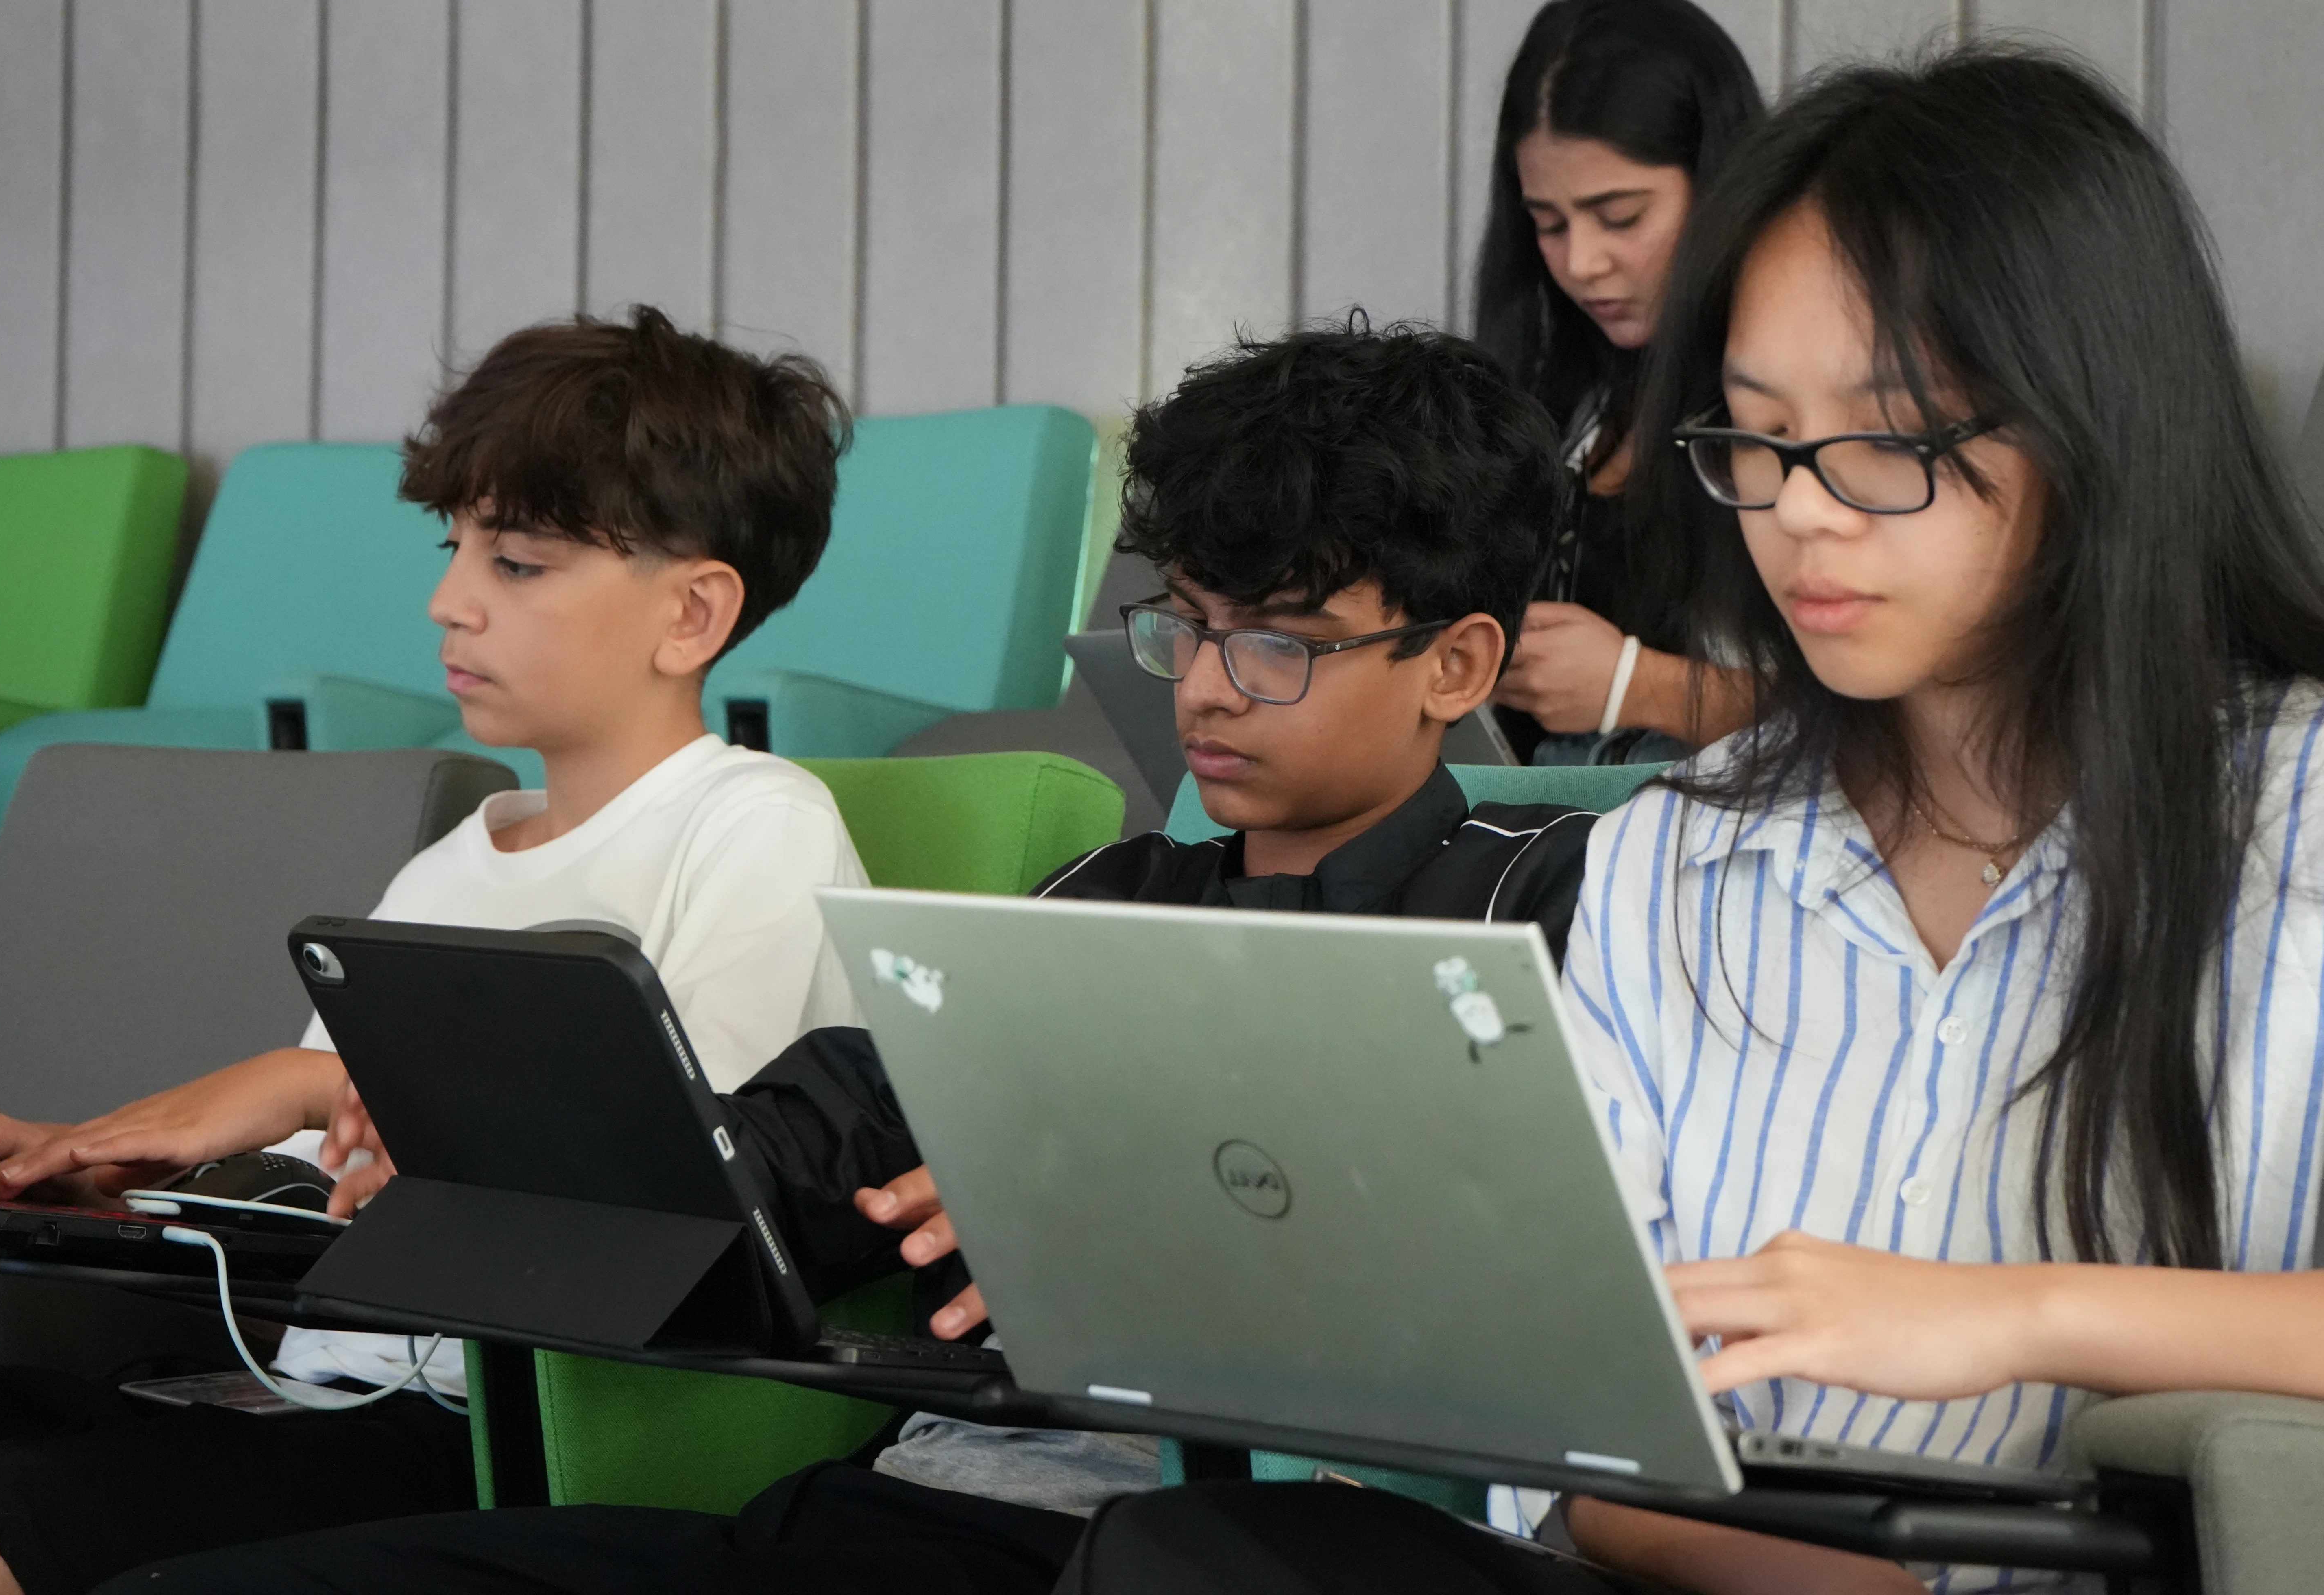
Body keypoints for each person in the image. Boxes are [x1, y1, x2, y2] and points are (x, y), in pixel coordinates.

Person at [1042, 44, 2324, 1592]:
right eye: (1758, 435)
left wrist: (2024, 1316)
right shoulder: (1686, 849)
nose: (1801, 508)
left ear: (2098, 431)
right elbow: (1582, 1414)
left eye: (1884, 438)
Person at [97, 321, 1609, 1595]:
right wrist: (450, 1127)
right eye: (1184, 629)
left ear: (1457, 665)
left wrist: (1132, 1193)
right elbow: (802, 1146)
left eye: (1271, 644)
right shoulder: (1097, 898)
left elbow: (1555, 1273)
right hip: (907, 1502)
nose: (1204, 689)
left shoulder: (1538, 909)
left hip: (1259, 1545)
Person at [0, 309, 868, 1595]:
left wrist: (312, 1080)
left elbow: (681, 1191)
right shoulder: (452, 863)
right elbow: (336, 1188)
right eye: (454, 546)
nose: (448, 599)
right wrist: (127, 1194)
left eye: (518, 563)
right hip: (297, 1390)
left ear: (693, 613)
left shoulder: (754, 825)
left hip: (486, 1426)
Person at [1472, 0, 1763, 766]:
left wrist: (1641, 685)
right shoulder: (1567, 395)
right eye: (1549, 225)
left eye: (1622, 217)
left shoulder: (1792, 398)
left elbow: (1895, 710)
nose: (1582, 263)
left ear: (1721, 185)